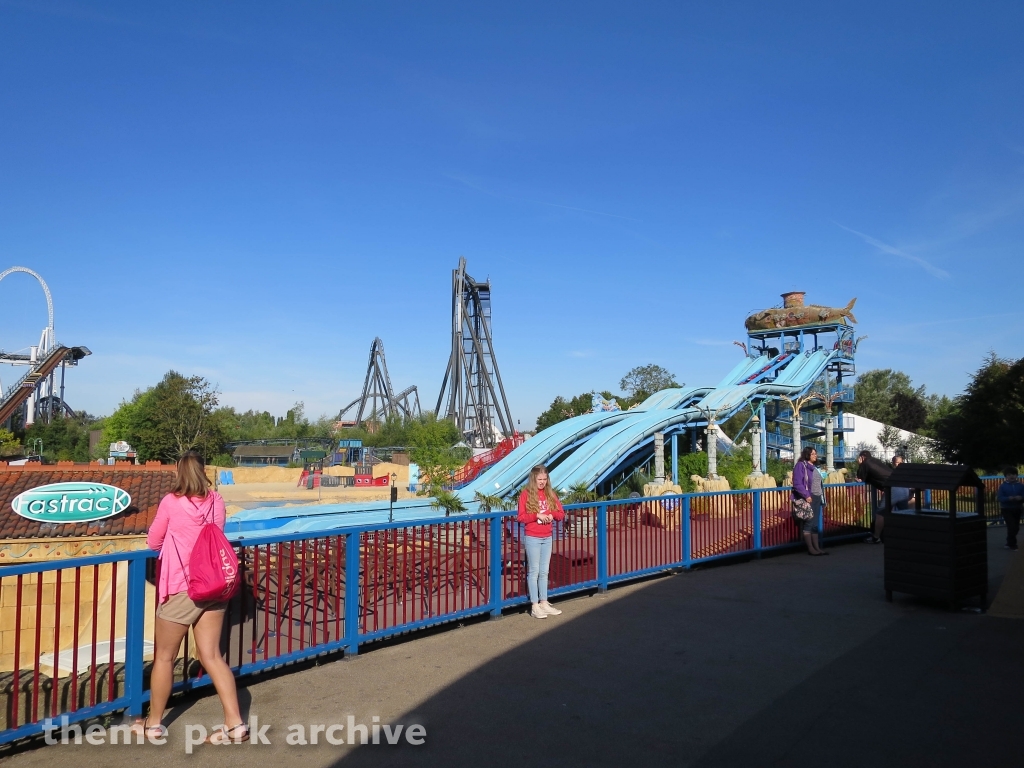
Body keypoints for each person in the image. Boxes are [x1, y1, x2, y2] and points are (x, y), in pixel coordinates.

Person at [136, 452, 248, 744]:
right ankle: (235, 725)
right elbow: (216, 534)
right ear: (203, 471)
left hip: (182, 587)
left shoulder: (171, 502)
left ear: (178, 473)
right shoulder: (217, 501)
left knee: (164, 657)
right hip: (214, 585)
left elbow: (153, 541)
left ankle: (154, 724)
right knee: (211, 655)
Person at [517, 465, 566, 619]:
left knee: (544, 571)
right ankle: (535, 605)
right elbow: (521, 517)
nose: (542, 482)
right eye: (540, 479)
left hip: (547, 536)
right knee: (534, 571)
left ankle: (544, 602)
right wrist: (536, 515)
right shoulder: (525, 494)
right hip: (532, 537)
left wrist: (551, 515)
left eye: (545, 479)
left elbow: (561, 513)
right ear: (533, 479)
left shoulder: (550, 493)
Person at [793, 447, 827, 555]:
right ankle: (810, 549)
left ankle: (817, 548)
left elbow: (819, 484)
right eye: (812, 454)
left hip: (817, 497)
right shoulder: (801, 465)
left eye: (815, 454)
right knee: (809, 522)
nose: (815, 456)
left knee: (815, 524)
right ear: (807, 454)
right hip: (809, 497)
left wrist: (823, 499)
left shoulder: (815, 467)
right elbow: (797, 483)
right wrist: (806, 495)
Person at [856, 450, 892, 543]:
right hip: (900, 485)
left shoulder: (865, 463)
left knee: (880, 513)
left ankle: (876, 537)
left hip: (891, 488)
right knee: (901, 512)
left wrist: (860, 464)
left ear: (862, 457)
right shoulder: (876, 461)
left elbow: (860, 477)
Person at [997, 468, 1024, 551]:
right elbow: (1000, 497)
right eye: (1009, 475)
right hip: (1006, 509)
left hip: (1017, 508)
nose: (1011, 476)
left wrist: (1021, 498)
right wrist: (1008, 498)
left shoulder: (1021, 486)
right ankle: (1013, 544)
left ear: (1016, 475)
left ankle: (1009, 542)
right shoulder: (1003, 486)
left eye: (1013, 474)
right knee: (1011, 526)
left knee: (1016, 527)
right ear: (1006, 477)